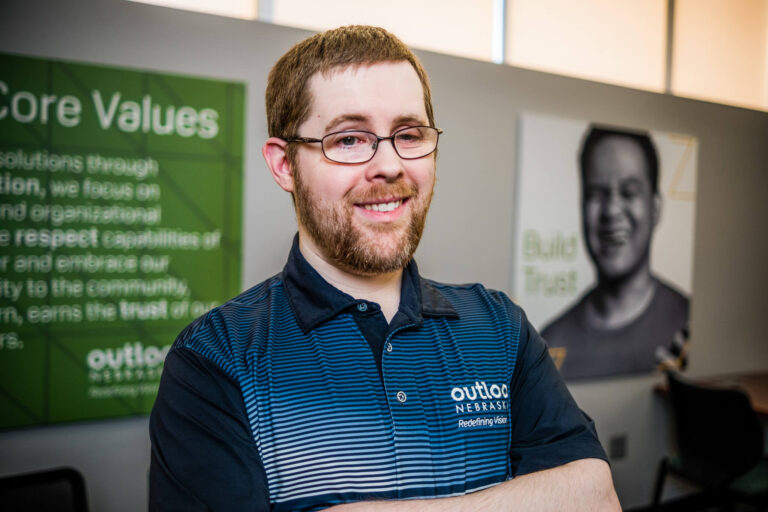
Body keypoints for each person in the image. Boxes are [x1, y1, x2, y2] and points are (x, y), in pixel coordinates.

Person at [149, 26, 620, 511]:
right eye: (350, 139)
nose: (390, 165)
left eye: (409, 134)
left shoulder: (499, 328)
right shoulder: (216, 358)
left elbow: (595, 496)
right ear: (285, 164)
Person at [542, 126, 690, 380]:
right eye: (596, 194)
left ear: (655, 208)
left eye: (629, 192)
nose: (611, 211)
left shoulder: (687, 325)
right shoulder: (549, 342)